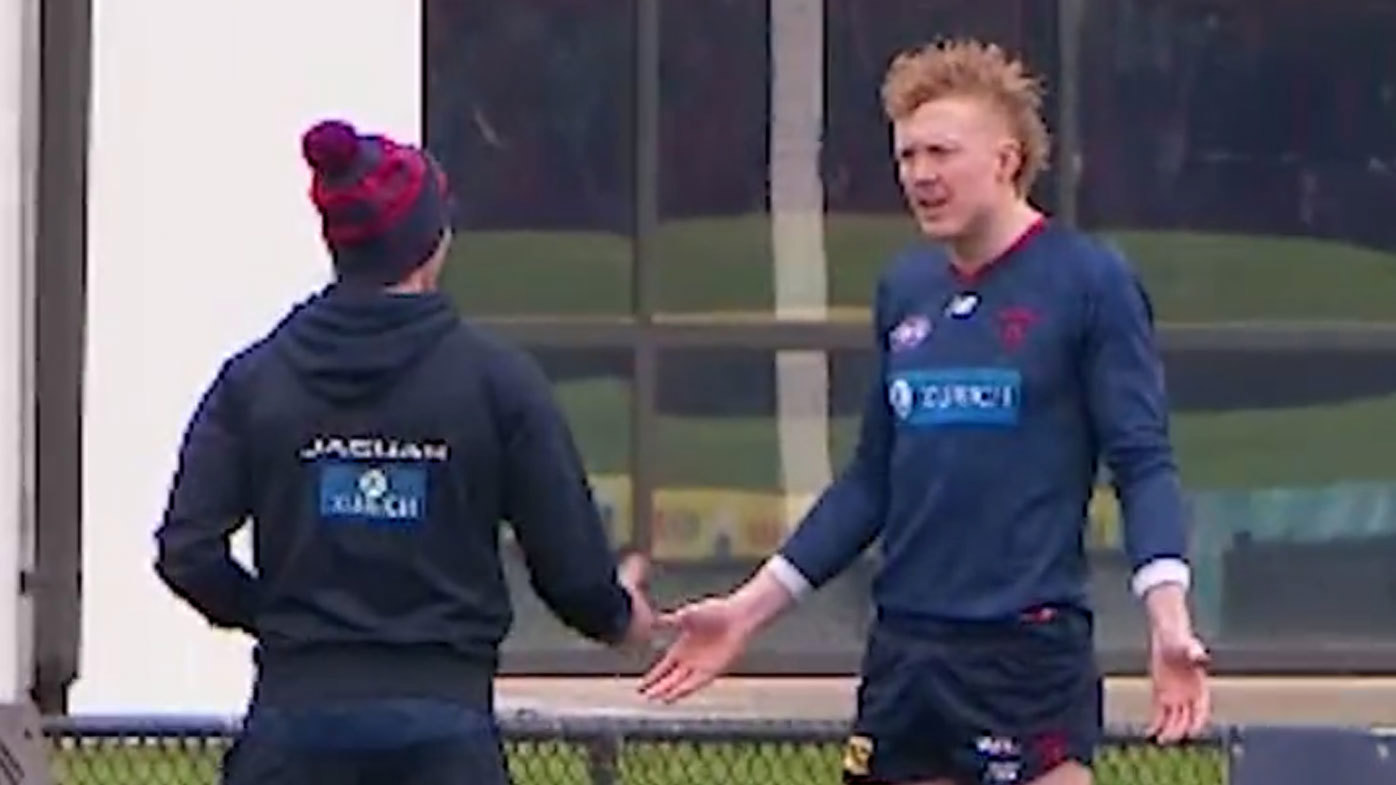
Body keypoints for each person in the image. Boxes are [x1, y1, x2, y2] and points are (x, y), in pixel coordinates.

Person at [638, 38, 1210, 785]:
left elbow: (1142, 462)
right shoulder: (906, 289)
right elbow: (871, 480)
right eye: (907, 156)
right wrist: (747, 609)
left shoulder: (1087, 281)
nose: (920, 175)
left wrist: (1169, 623)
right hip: (905, 655)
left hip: (1023, 654)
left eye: (940, 153)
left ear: (1005, 160)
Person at [153, 118, 655, 785]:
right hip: (445, 733)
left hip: (292, 727)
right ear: (431, 242)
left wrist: (279, 615)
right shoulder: (497, 383)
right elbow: (568, 565)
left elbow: (186, 550)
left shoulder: (255, 380)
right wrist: (621, 617)